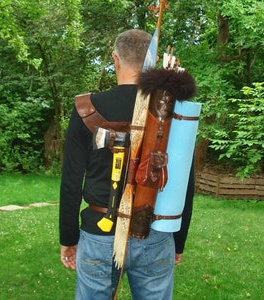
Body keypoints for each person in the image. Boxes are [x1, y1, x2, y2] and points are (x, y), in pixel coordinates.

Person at [59, 28, 194, 299]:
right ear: (153, 62)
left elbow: (71, 181)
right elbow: (183, 183)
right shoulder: (170, 111)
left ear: (115, 59)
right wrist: (177, 241)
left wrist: (69, 238)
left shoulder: (86, 108)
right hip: (156, 236)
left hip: (98, 233)